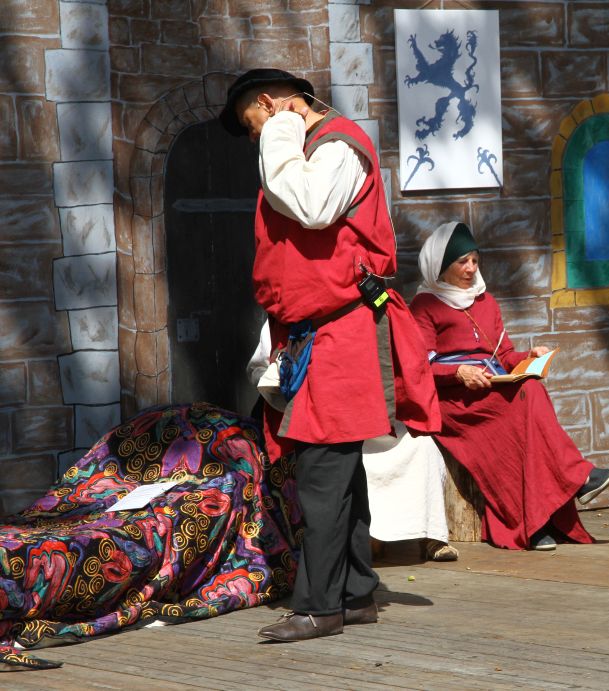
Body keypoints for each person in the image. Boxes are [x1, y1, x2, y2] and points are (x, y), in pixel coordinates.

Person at [220, 68, 440, 642]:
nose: (254, 137)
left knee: (322, 473)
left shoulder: (338, 146)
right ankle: (356, 594)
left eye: (252, 123)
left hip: (343, 333)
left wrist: (278, 131)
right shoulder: (314, 148)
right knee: (339, 471)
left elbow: (311, 205)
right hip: (319, 335)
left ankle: (319, 606)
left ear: (270, 103)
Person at [409, 222, 609, 551]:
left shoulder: (485, 301)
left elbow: (505, 354)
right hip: (454, 400)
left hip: (490, 388)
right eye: (462, 262)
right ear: (440, 266)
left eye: (475, 261)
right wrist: (459, 372)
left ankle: (539, 518)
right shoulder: (425, 306)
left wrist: (529, 357)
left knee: (531, 389)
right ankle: (574, 482)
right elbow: (419, 365)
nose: (471, 269)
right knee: (520, 412)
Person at [247, 322, 458, 562]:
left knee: (422, 445)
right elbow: (257, 369)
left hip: (373, 411)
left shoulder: (366, 313)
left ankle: (430, 534)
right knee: (343, 459)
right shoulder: (287, 318)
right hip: (323, 417)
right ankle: (361, 544)